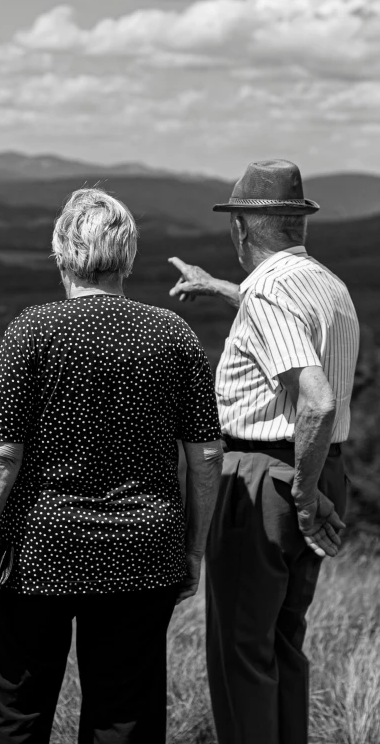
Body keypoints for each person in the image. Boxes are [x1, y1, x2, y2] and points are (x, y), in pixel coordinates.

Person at [0, 187, 223, 744]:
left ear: (60, 252)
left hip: (38, 549)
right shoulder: (174, 335)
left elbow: (1, 452)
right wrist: (192, 549)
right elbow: (206, 455)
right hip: (142, 552)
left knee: (17, 711)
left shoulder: (33, 330)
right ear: (127, 255)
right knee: (124, 716)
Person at [169, 159, 359, 744]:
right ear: (299, 224)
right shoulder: (327, 285)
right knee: (282, 644)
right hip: (321, 467)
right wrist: (222, 288)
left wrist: (298, 494)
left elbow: (317, 402)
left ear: (244, 228)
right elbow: (282, 322)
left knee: (240, 654)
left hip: (265, 477)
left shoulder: (270, 293)